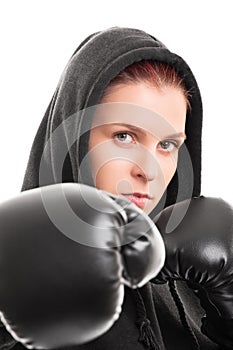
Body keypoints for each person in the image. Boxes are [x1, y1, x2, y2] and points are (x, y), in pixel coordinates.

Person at [0, 27, 232, 350]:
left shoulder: (191, 280)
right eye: (124, 136)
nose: (148, 171)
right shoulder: (13, 272)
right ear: (74, 140)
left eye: (167, 145)